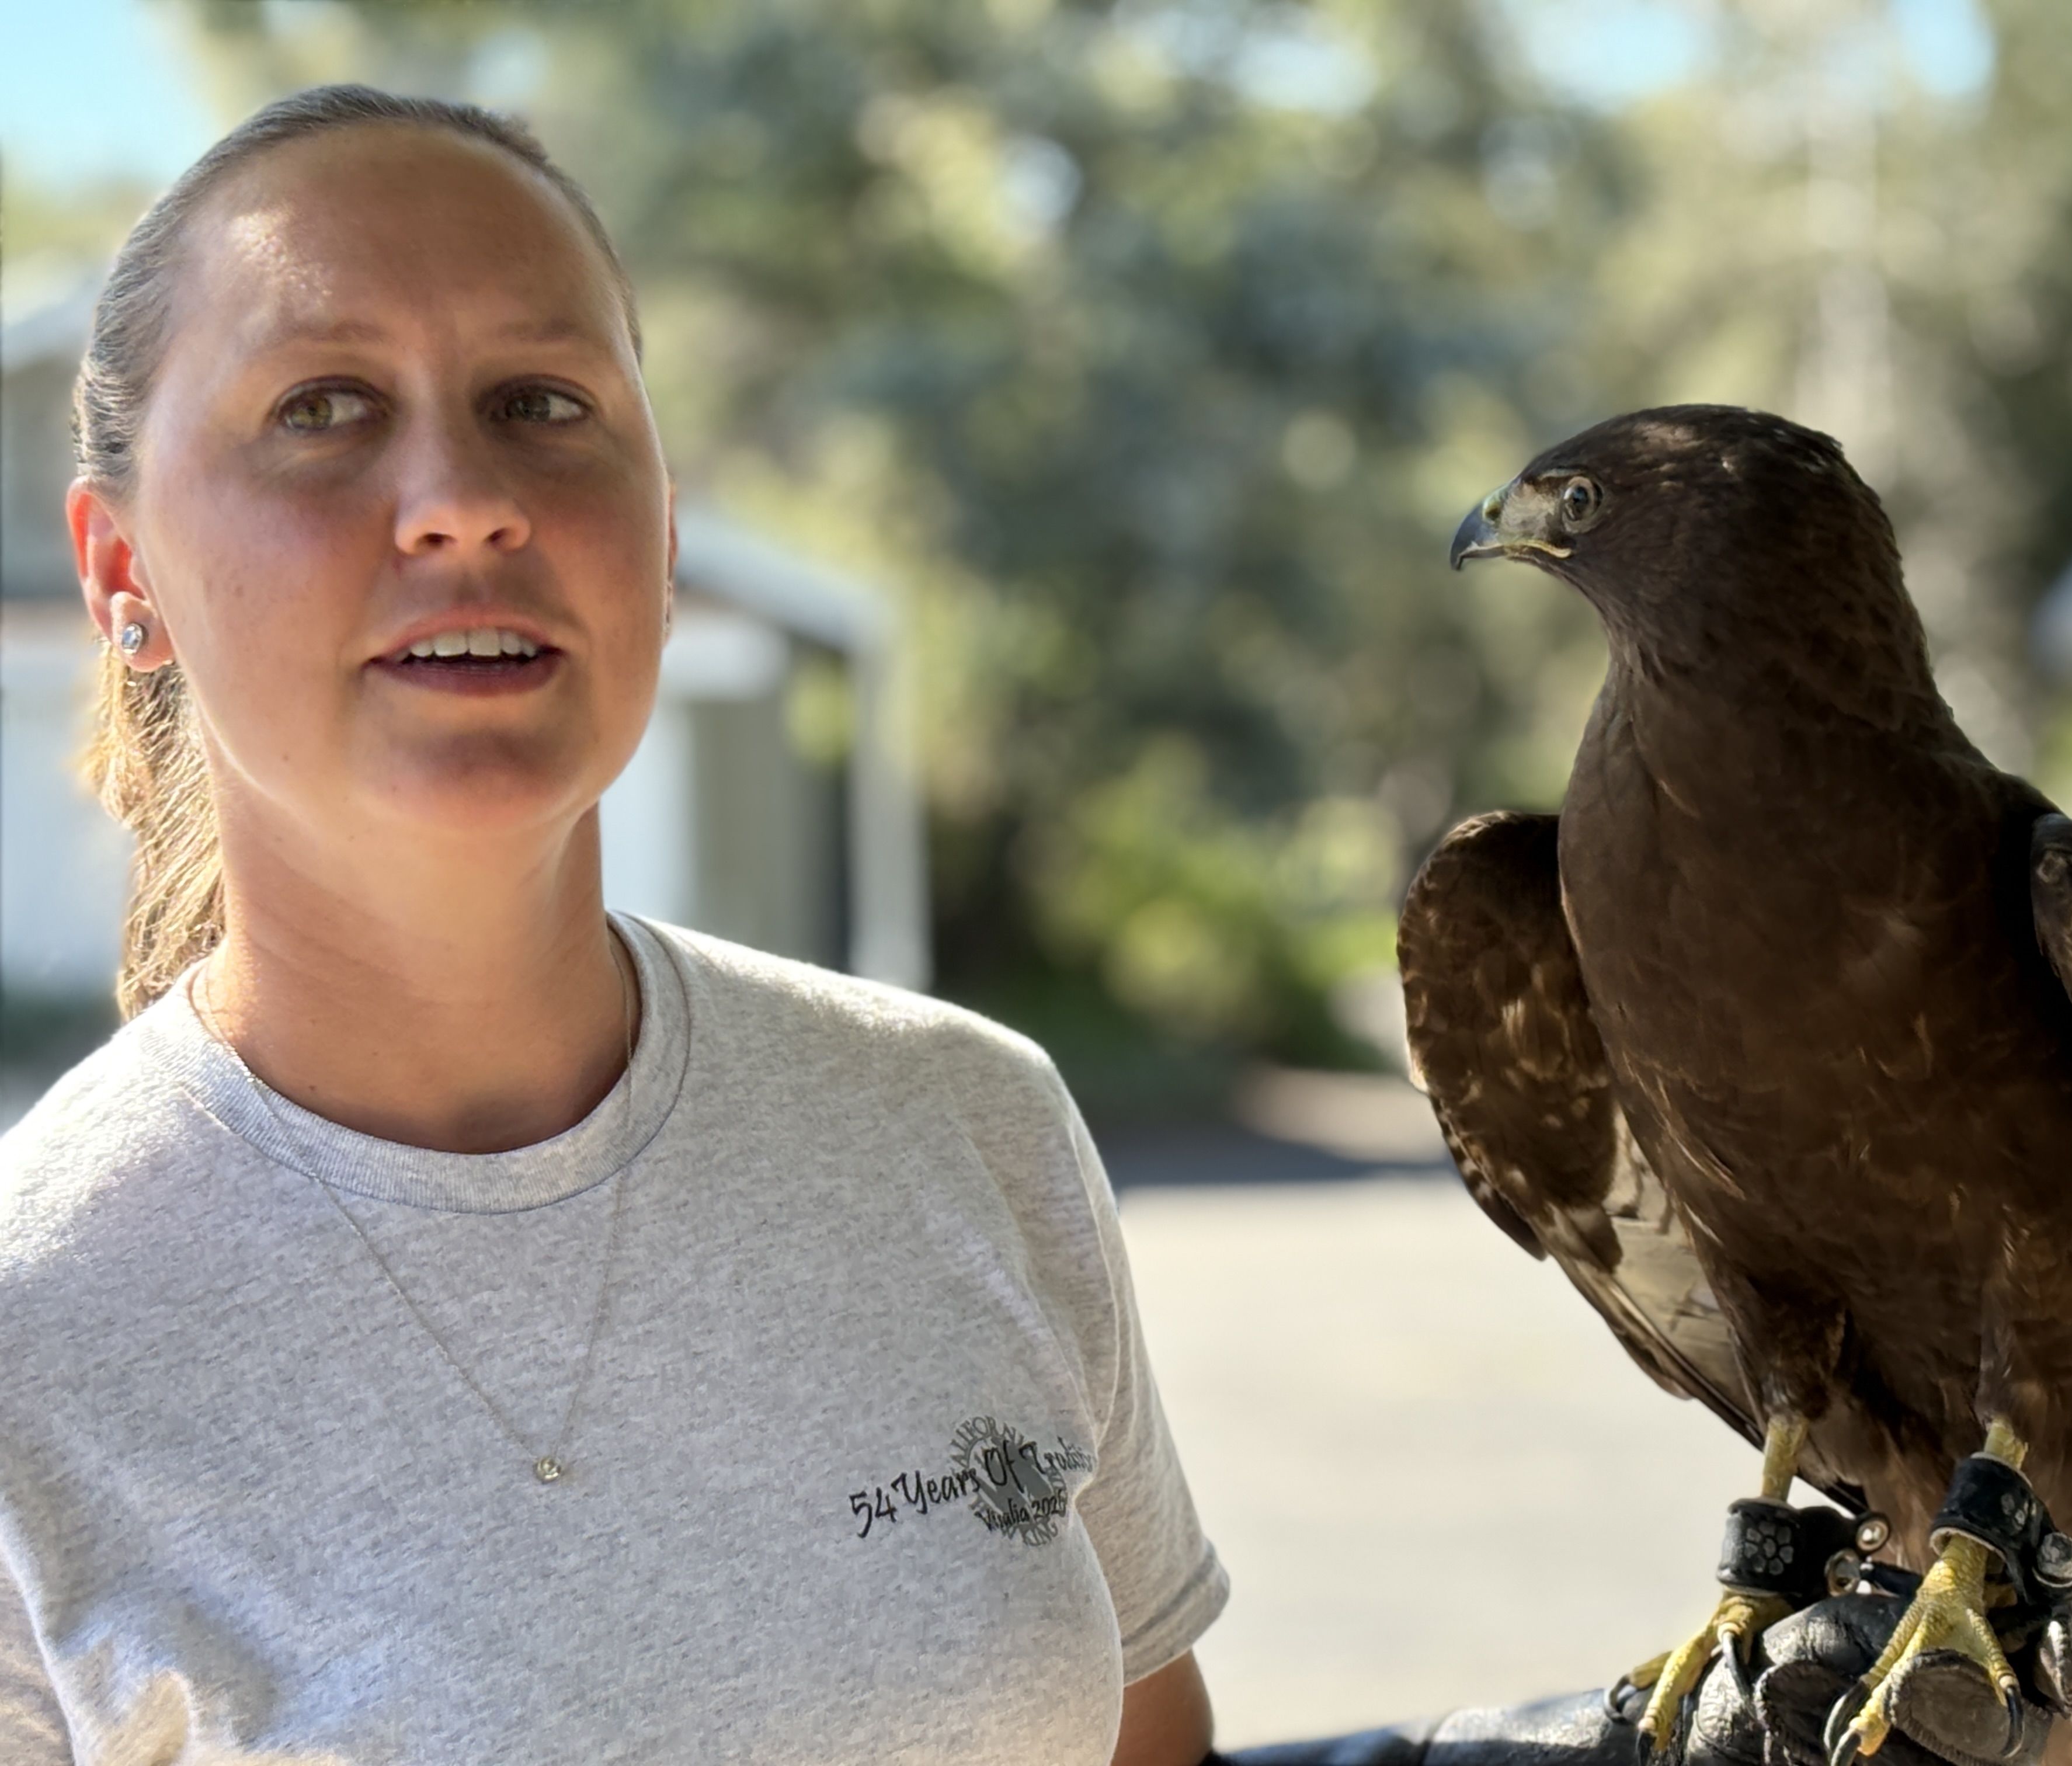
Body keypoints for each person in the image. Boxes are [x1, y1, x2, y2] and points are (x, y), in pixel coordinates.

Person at [0, 85, 1226, 1765]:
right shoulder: (31, 1339)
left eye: (541, 401)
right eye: (326, 405)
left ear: (659, 525)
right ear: (119, 569)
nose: (463, 502)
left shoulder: (967, 1126)